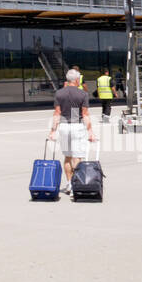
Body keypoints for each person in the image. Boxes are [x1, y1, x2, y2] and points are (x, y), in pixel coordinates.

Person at [48, 69, 96, 197]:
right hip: (77, 127)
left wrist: (53, 131)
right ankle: (77, 184)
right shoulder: (82, 94)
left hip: (64, 127)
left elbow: (57, 113)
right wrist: (90, 131)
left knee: (67, 157)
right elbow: (85, 114)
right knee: (77, 158)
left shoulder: (59, 93)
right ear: (77, 80)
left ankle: (69, 183)